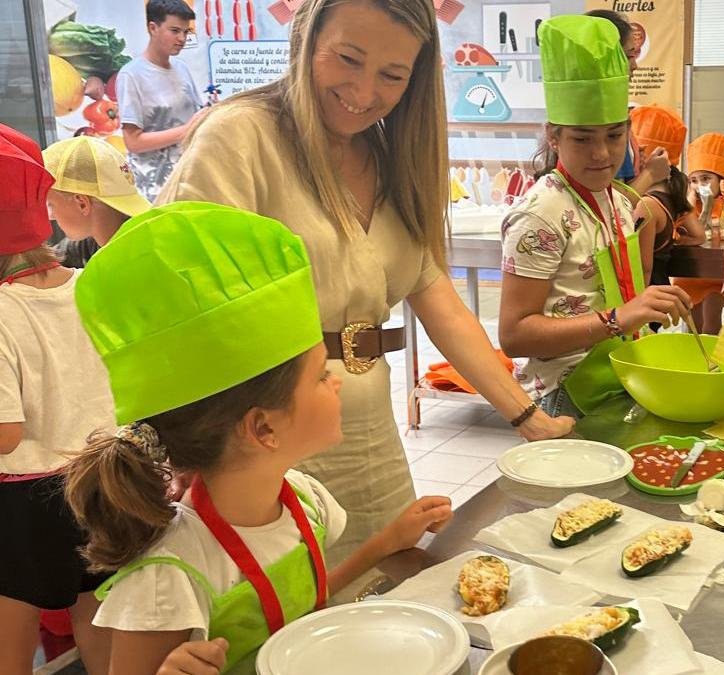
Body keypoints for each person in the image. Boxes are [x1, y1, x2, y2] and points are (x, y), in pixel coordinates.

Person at [156, 0, 573, 570]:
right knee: (284, 616)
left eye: (392, 75)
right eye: (348, 59)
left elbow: (438, 300)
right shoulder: (240, 137)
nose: (364, 90)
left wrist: (528, 418)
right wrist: (192, 447)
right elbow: (190, 311)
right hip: (261, 434)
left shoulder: (387, 152)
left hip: (369, 429)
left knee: (388, 587)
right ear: (306, 39)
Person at [63, 202, 454, 675]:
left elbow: (304, 608)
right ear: (264, 428)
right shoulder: (170, 576)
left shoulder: (305, 501)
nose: (336, 382)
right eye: (317, 376)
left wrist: (386, 542)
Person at [498, 15, 691, 418]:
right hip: (562, 396)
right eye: (582, 139)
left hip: (616, 380)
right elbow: (514, 335)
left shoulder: (618, 200)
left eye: (613, 135)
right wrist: (617, 318)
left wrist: (645, 304)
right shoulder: (541, 215)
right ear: (554, 136)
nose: (601, 153)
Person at [0, 124, 113, 675]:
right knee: (95, 606)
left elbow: (6, 433)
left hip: (27, 499)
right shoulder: (89, 285)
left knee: (13, 611)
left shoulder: (1, 310)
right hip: (103, 476)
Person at [116, 0, 207, 203]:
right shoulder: (131, 75)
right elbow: (133, 142)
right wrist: (185, 131)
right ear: (152, 28)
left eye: (186, 32)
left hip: (189, 180)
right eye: (175, 30)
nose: (182, 38)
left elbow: (196, 113)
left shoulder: (181, 68)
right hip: (154, 190)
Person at [584, 8, 670, 195]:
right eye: (629, 55)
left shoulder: (611, 112)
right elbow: (611, 204)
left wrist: (634, 160)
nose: (635, 66)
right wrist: (650, 174)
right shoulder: (603, 118)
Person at [43, 135, 152, 268]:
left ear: (82, 203)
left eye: (51, 204)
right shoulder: (94, 244)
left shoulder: (131, 265)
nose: (50, 216)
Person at [628, 104, 704, 287]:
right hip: (660, 293)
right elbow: (699, 236)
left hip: (646, 299)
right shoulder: (671, 194)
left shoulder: (646, 205)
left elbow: (643, 270)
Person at [676, 132, 724, 334]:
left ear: (721, 181)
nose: (698, 185)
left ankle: (710, 362)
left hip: (718, 276)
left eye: (705, 178)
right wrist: (689, 204)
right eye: (693, 180)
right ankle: (693, 360)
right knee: (693, 326)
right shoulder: (687, 207)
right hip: (690, 274)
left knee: (711, 322)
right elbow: (678, 233)